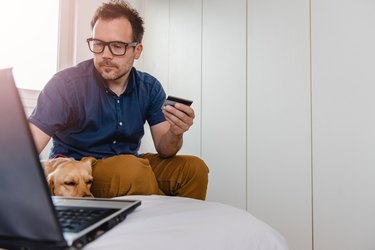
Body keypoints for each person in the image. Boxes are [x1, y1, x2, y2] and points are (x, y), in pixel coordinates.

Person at [28, 0, 209, 200]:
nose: (105, 54)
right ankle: (161, 220)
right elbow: (28, 146)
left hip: (131, 165)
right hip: (81, 171)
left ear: (137, 50)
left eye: (117, 46)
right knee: (131, 170)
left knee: (194, 169)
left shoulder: (149, 87)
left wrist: (176, 132)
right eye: (98, 44)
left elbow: (166, 150)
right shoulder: (65, 85)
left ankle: (181, 227)